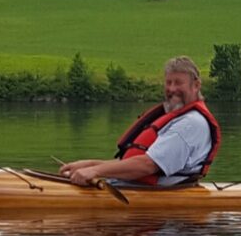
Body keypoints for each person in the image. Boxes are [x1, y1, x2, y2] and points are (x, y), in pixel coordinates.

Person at [60, 55, 221, 187]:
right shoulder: (179, 118)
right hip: (133, 186)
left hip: (158, 196)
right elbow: (135, 163)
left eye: (178, 83)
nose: (172, 89)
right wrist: (90, 165)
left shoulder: (190, 124)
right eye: (168, 82)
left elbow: (148, 165)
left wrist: (96, 171)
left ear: (196, 85)